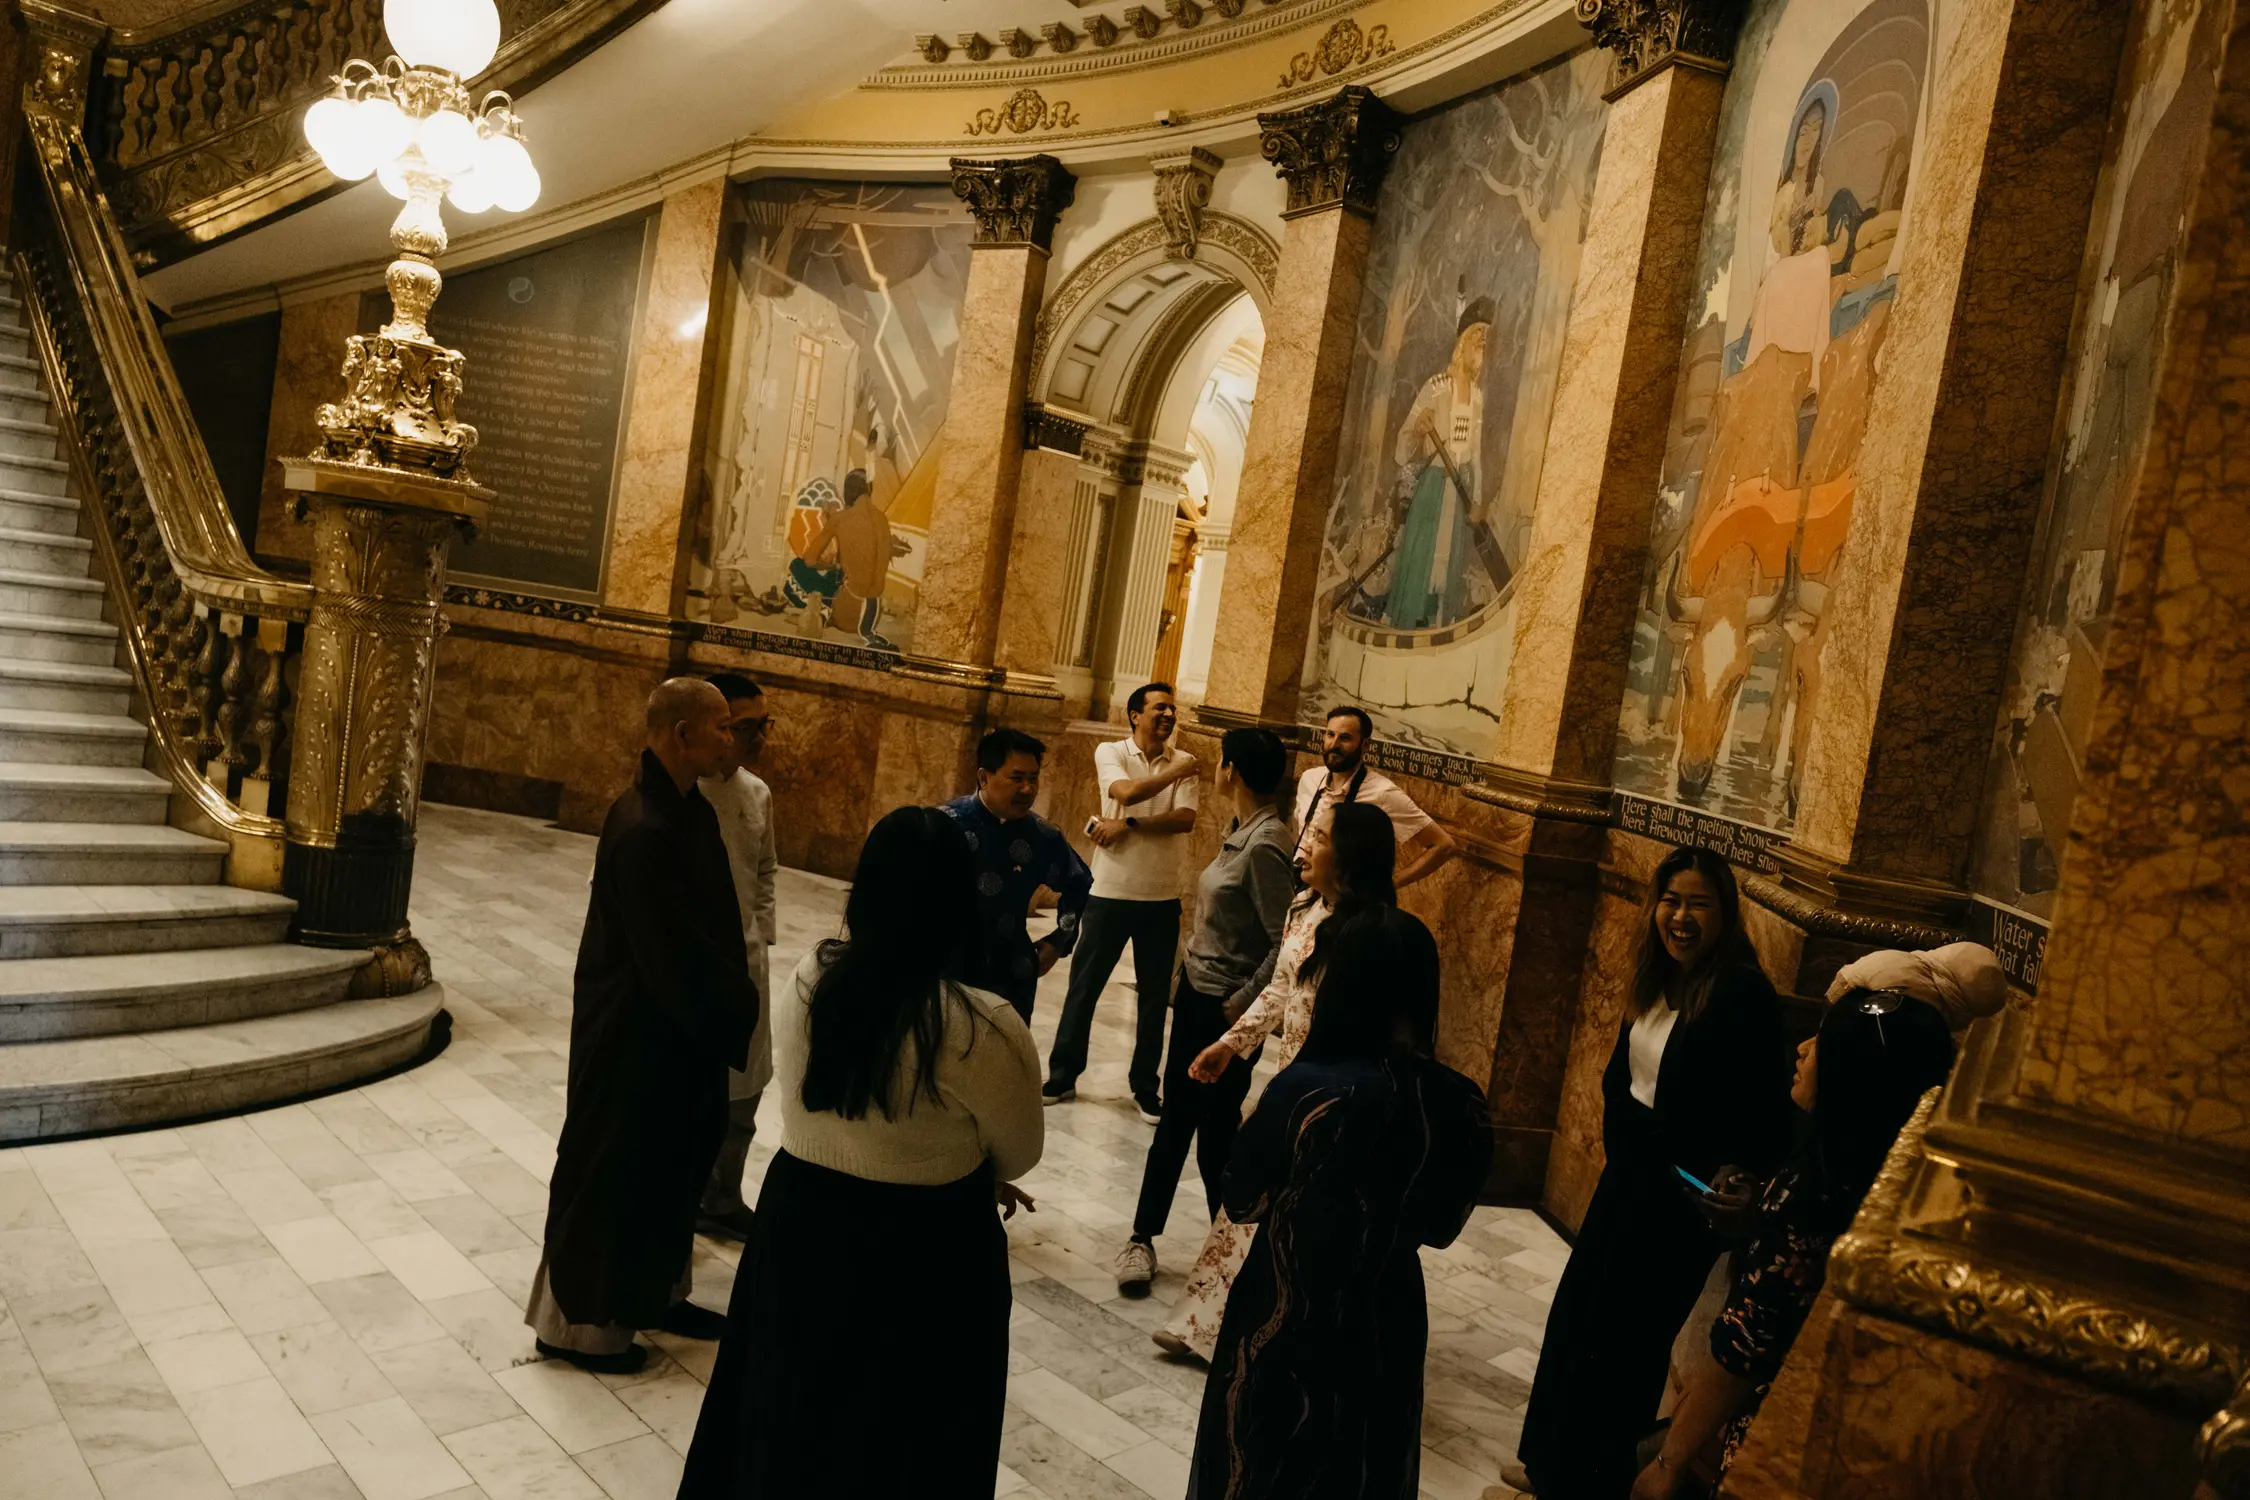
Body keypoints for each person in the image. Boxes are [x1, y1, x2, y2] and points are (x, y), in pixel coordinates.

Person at [677, 807, 1043, 1499]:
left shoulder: (808, 980)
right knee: (908, 1442)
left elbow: (830, 1109)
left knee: (787, 1419)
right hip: (927, 1250)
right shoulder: (979, 1024)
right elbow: (1019, 1150)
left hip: (803, 1226)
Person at [1628, 947, 2002, 1500]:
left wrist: (1668, 1461)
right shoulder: (1907, 1170)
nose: (1801, 1049)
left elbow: (1747, 1346)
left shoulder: (1814, 1190)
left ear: (1857, 1073)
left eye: (1822, 1041)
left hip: (1777, 1439)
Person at [1510, 846, 1793, 1500]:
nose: (1681, 917)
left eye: (1698, 903)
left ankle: (1589, 1481)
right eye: (1671, 900)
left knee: (1626, 1347)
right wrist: (1631, 1139)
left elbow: (1752, 1109)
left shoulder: (1739, 993)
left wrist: (1725, 1175)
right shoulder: (1655, 978)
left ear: (1724, 914)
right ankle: (1549, 1465)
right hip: (1628, 1183)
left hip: (1674, 1207)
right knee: (1579, 1321)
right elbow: (1622, 1081)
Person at [1189, 905, 1491, 1498]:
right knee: (1365, 1465)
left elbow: (1243, 1199)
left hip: (1288, 1305)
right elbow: (1441, 1225)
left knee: (1261, 1463)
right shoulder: (1460, 1102)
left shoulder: (1307, 1090)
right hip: (1389, 1311)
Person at [525, 678, 754, 1374]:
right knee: (611, 1170)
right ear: (681, 734)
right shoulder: (643, 826)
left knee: (671, 1167)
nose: (731, 738)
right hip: (635, 1034)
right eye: (720, 727)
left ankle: (654, 1297)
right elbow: (667, 957)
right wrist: (728, 1008)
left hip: (676, 1033)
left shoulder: (687, 811)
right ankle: (580, 1329)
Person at [1153, 800, 1399, 1358]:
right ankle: (1204, 1324)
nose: (1305, 844)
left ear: (1352, 854)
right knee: (1250, 1197)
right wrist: (1229, 1044)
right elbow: (1280, 991)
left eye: (1321, 836)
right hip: (1289, 1082)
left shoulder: (1372, 934)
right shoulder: (1303, 907)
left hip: (1336, 1096)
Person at [1112, 727, 1293, 1296]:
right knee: (1182, 1123)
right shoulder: (1241, 830)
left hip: (1224, 1011)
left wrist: (1236, 1011)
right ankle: (1147, 1238)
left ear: (1232, 771)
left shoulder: (1266, 843)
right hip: (1200, 995)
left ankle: (1233, 1252)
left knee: (1213, 1132)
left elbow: (1282, 942)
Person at [1044, 681, 1202, 1120]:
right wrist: (1176, 774)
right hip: (1109, 891)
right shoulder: (1111, 753)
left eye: (1172, 709)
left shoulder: (1184, 760)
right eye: (1159, 709)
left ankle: (1145, 1087)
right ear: (1135, 715)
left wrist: (1128, 825)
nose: (1168, 715)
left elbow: (1184, 820)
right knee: (1084, 989)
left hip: (1161, 896)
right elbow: (1126, 792)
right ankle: (1062, 1075)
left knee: (1154, 1000)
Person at [695, 671, 779, 1241]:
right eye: (745, 726)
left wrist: (760, 936)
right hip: (696, 972)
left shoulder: (757, 792)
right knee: (699, 1100)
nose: (757, 738)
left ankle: (725, 1197)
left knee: (745, 1095)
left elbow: (765, 873)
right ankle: (690, 1198)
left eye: (761, 725)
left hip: (748, 966)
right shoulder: (683, 794)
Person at [943, 728, 1093, 1022]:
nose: (1028, 789)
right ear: (984, 777)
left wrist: (1058, 941)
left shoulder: (1042, 836)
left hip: (1011, 974)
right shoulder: (947, 826)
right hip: (946, 970)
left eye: (1033, 778)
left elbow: (1079, 883)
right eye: (1017, 778)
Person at [1292, 705, 1456, 885]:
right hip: (1297, 887)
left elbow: (1444, 846)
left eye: (1345, 738)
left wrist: (1388, 886)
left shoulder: (1383, 793)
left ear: (1365, 745)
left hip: (1343, 901)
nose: (1334, 744)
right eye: (1330, 735)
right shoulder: (1309, 779)